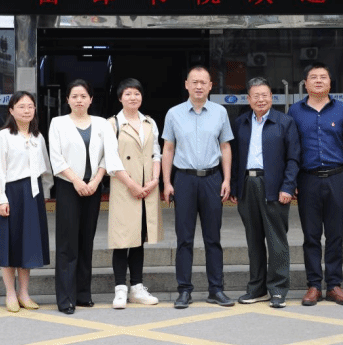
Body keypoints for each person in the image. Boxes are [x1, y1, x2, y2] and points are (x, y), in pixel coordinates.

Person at [162, 66, 235, 309]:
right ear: (186, 84)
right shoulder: (173, 113)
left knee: (213, 238)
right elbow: (168, 149)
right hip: (184, 179)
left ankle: (216, 289)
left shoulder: (220, 112)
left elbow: (225, 147)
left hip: (212, 178)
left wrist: (226, 179)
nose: (199, 86)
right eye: (194, 82)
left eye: (203, 82)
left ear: (211, 86)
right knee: (184, 239)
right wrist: (167, 182)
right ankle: (184, 290)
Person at [49, 79, 121, 314]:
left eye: (83, 96)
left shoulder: (102, 124)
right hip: (68, 187)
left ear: (91, 99)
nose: (79, 100)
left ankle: (82, 294)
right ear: (67, 100)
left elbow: (109, 155)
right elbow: (56, 157)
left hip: (93, 187)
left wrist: (96, 181)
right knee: (67, 243)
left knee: (86, 241)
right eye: (74, 96)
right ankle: (65, 298)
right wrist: (77, 181)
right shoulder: (58, 123)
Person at [288, 62, 343, 307]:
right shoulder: (295, 111)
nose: (318, 81)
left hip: (337, 177)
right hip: (307, 179)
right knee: (311, 235)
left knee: (335, 234)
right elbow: (291, 147)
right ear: (305, 83)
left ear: (330, 82)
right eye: (313, 77)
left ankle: (335, 285)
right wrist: (292, 179)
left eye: (323, 77)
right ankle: (314, 285)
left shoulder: (342, 110)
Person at [231, 77, 301, 309]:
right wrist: (235, 187)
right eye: (256, 96)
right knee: (253, 241)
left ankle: (278, 290)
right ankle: (257, 289)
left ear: (272, 97)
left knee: (276, 240)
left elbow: (293, 158)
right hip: (247, 185)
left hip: (274, 186)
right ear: (248, 99)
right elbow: (234, 158)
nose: (261, 99)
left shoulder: (284, 122)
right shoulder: (240, 123)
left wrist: (288, 186)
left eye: (265, 95)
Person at [0, 91, 53, 313]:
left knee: (27, 245)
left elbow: (46, 167)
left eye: (30, 106)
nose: (26, 110)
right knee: (9, 244)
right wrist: (0, 198)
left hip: (33, 194)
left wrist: (45, 191)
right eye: (21, 106)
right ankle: (10, 293)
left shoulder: (38, 137)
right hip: (11, 194)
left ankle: (24, 293)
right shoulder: (3, 136)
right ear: (11, 110)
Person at [106, 78, 163, 310]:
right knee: (122, 240)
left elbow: (156, 153)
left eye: (137, 93)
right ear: (120, 98)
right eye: (128, 94)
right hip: (124, 188)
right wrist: (132, 185)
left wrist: (154, 180)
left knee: (139, 239)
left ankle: (137, 288)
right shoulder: (112, 124)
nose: (133, 97)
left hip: (147, 187)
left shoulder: (149, 122)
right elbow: (111, 159)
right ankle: (120, 289)